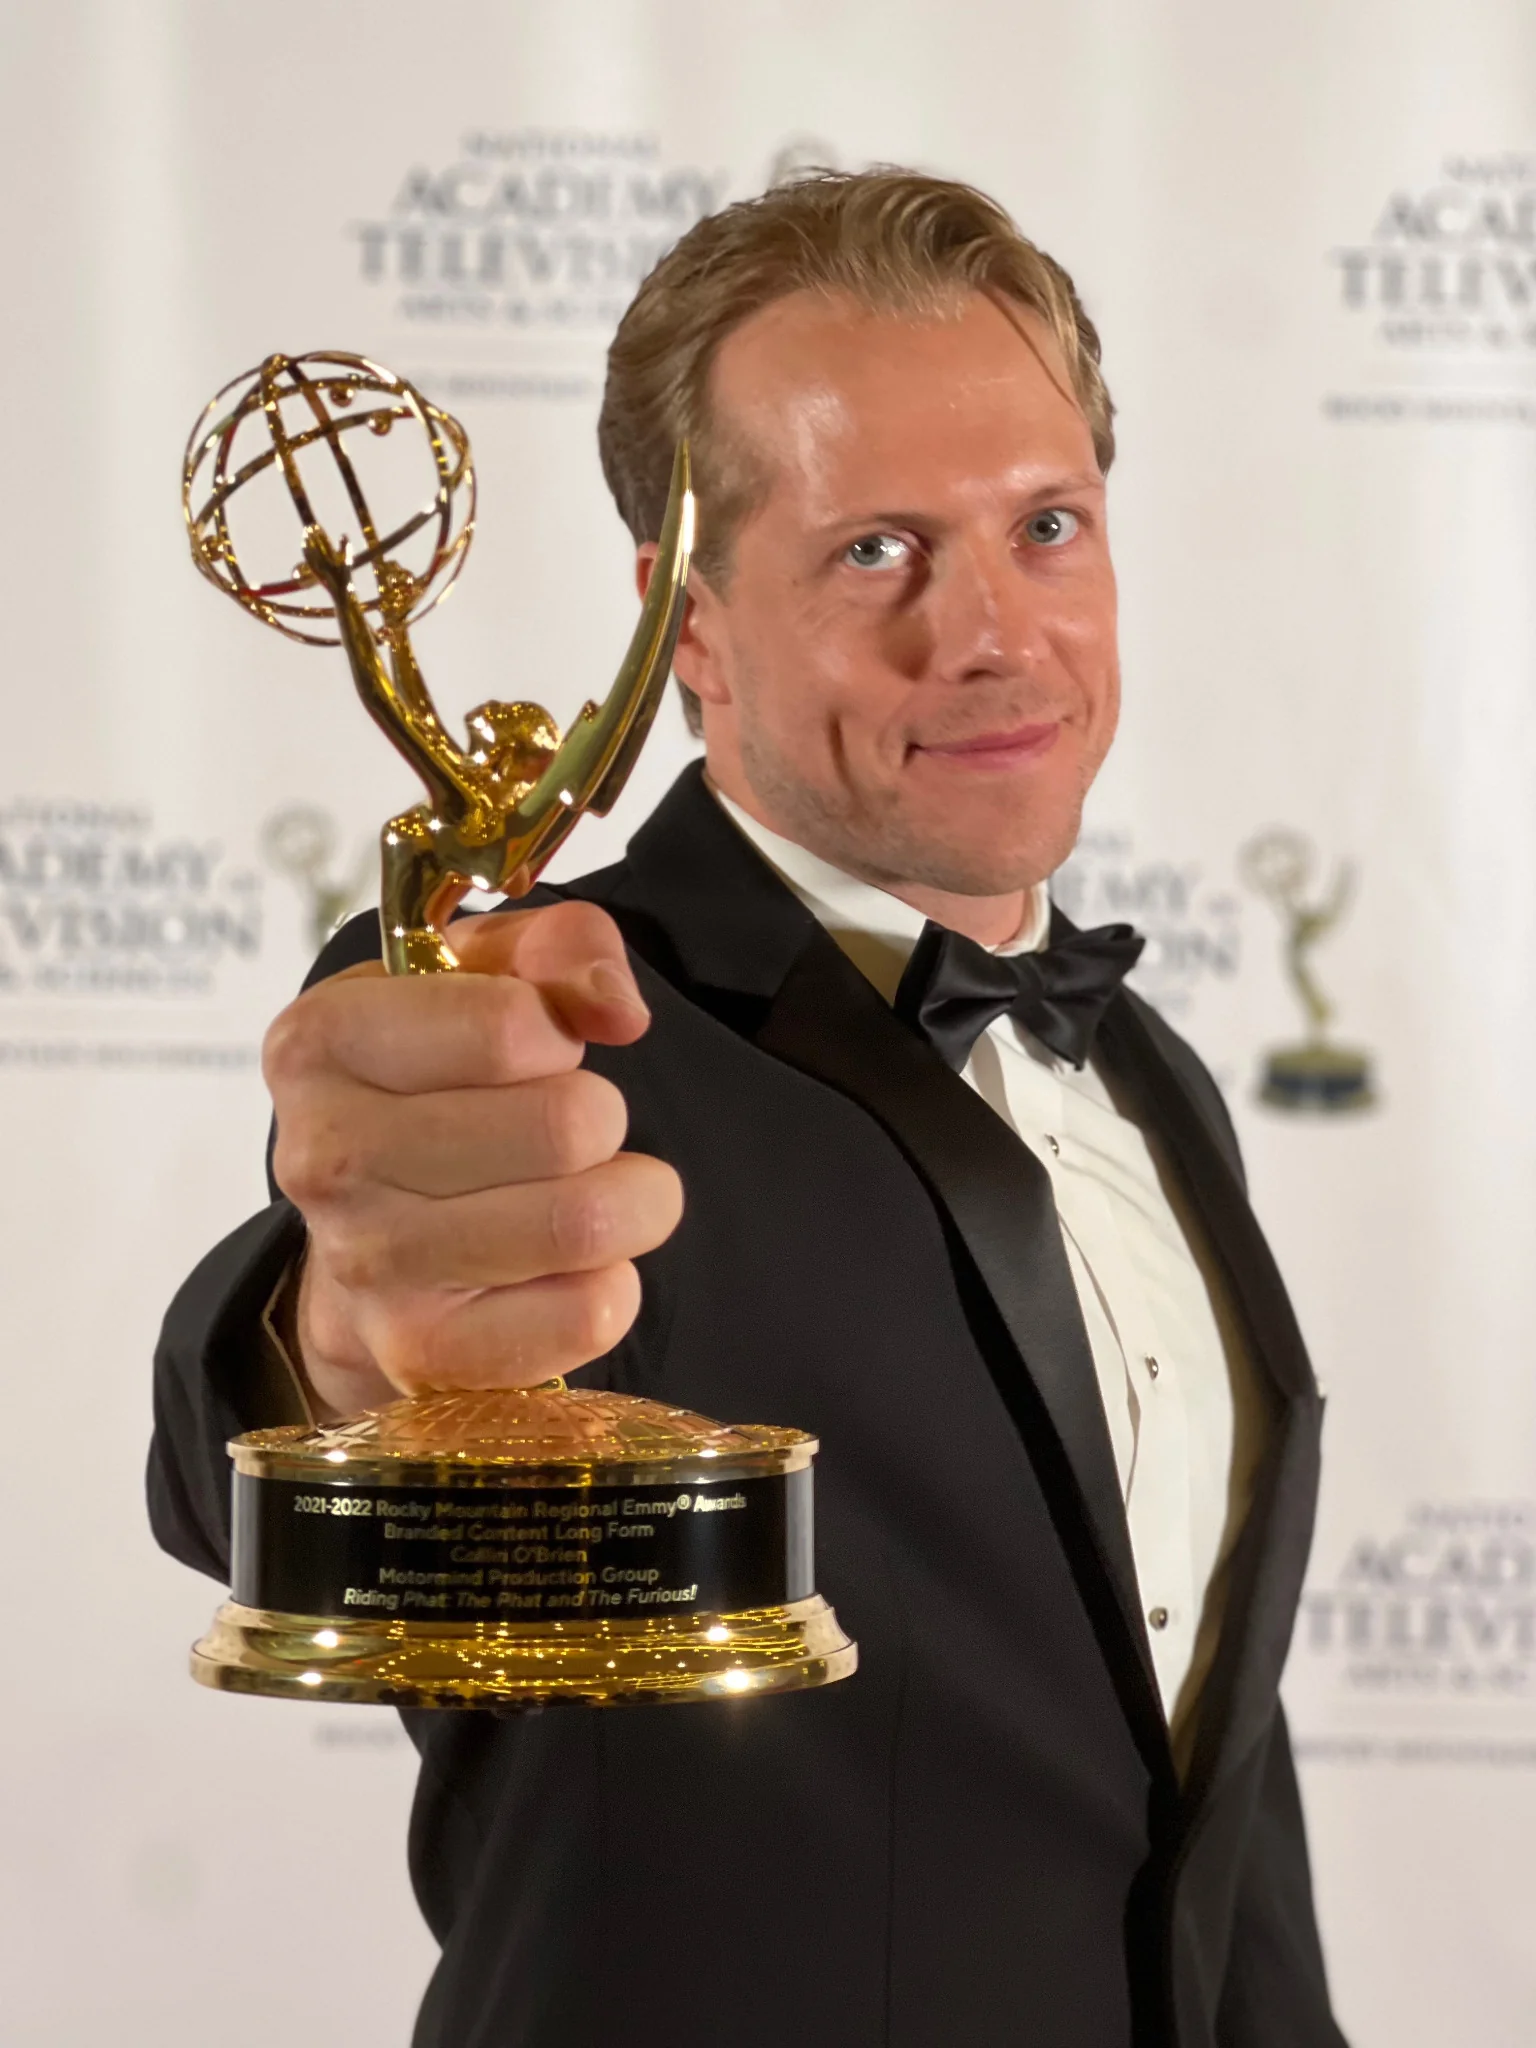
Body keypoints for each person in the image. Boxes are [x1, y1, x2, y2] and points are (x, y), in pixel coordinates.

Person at [149, 169, 1348, 2048]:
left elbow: (1209, 1787)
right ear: (684, 626)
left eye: (1045, 526)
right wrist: (338, 1349)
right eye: (876, 550)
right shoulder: (550, 1018)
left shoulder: (1153, 1078)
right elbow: (318, 1326)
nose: (990, 635)